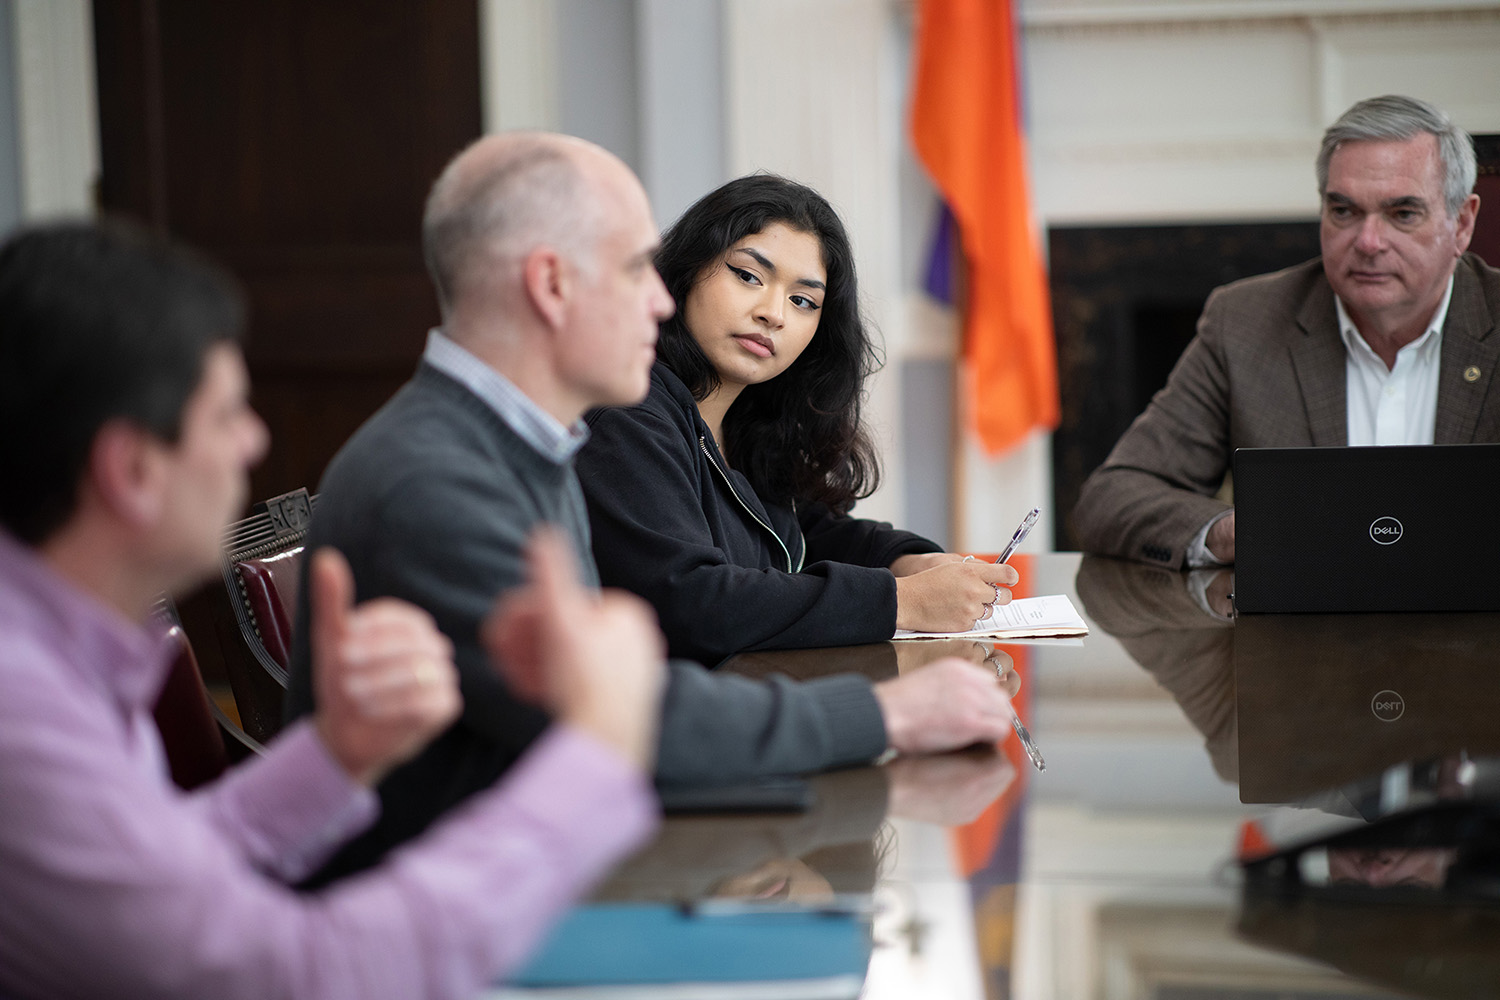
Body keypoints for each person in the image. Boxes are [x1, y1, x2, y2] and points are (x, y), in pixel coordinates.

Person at [284, 132, 1020, 882]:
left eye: (802, 300)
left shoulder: (514, 445)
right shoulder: (439, 479)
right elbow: (620, 715)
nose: (661, 296)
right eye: (639, 266)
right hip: (481, 916)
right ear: (551, 284)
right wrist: (890, 715)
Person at [0, 221, 667, 999]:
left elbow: (173, 868)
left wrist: (337, 754)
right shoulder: (21, 703)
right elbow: (300, 974)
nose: (254, 443)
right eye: (226, 416)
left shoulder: (64, 643)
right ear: (132, 468)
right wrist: (596, 753)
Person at [576, 174, 1017, 664]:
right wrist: (902, 601)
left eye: (802, 301)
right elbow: (691, 603)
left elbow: (798, 535)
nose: (773, 314)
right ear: (684, 272)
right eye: (748, 275)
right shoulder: (624, 410)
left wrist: (907, 560)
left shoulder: (742, 421)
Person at [1072, 94, 1500, 568]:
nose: (1368, 242)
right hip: (1300, 634)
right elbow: (1111, 497)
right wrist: (1233, 531)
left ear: (1461, 224)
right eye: (1344, 211)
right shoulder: (1247, 321)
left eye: (1402, 214)